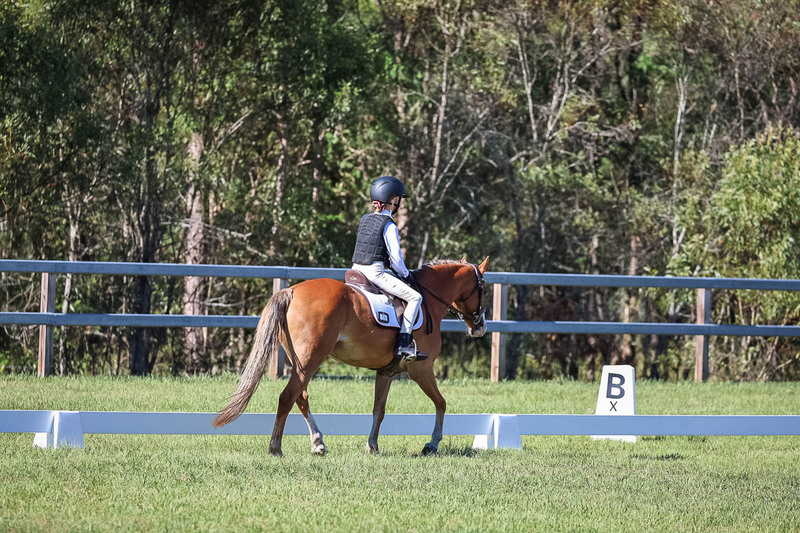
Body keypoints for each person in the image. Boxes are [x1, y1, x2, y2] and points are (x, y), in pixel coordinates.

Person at [351, 176, 425, 361]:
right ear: (393, 200)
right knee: (415, 297)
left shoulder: (365, 219)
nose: (399, 202)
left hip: (355, 271)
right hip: (374, 272)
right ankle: (404, 343)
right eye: (398, 198)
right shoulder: (389, 225)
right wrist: (407, 274)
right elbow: (396, 259)